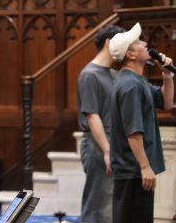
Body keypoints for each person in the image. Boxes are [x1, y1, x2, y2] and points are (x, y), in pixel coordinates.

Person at [108, 23, 174, 223]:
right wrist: (145, 167)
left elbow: (166, 103)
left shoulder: (137, 80)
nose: (145, 44)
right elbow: (133, 131)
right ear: (131, 55)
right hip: (132, 171)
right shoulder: (129, 85)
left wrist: (167, 74)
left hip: (136, 171)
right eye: (138, 42)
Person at [77, 25, 124, 223]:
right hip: (98, 143)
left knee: (109, 206)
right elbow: (91, 115)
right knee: (98, 207)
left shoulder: (113, 74)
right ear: (108, 42)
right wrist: (106, 149)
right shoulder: (90, 74)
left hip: (112, 141)